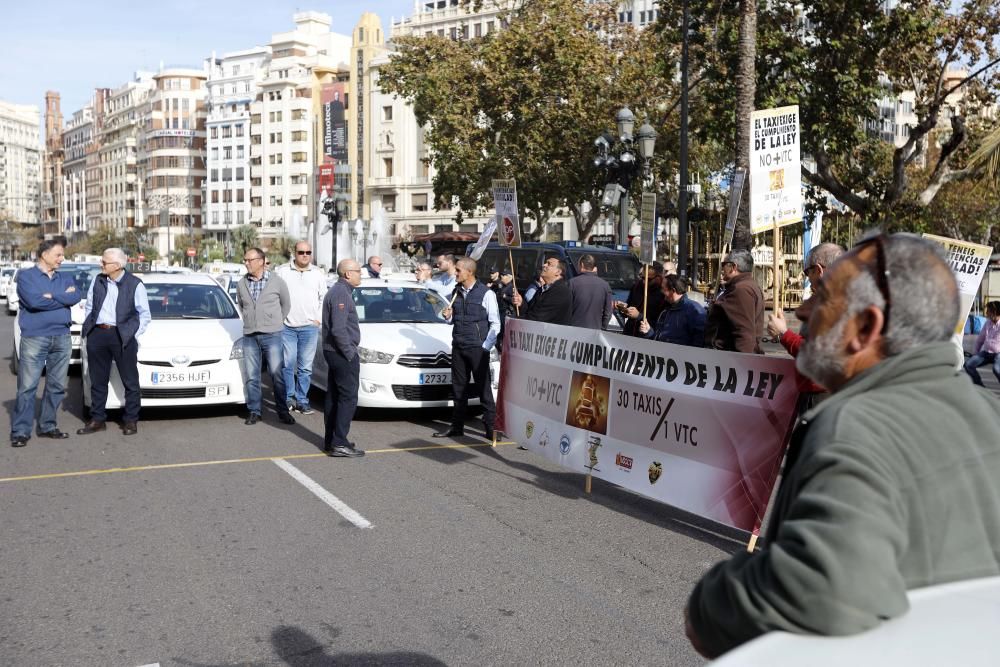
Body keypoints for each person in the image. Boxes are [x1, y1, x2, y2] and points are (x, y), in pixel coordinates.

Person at [685, 233, 1000, 659]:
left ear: (865, 328)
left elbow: (818, 595)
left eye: (823, 298)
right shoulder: (988, 413)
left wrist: (712, 602)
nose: (802, 311)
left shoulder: (854, 428)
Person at [10, 239, 81, 447]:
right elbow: (34, 301)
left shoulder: (65, 277)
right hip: (35, 337)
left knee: (57, 385)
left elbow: (76, 296)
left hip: (62, 336)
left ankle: (48, 425)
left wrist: (52, 296)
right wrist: (61, 298)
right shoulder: (26, 276)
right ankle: (21, 431)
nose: (62, 258)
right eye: (58, 254)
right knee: (27, 386)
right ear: (44, 255)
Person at [77, 247, 151, 436]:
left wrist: (131, 333)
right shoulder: (98, 280)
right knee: (97, 379)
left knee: (130, 380)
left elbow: (144, 315)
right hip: (98, 334)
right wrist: (91, 327)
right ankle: (98, 419)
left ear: (117, 265)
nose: (100, 265)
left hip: (122, 336)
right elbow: (90, 306)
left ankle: (131, 420)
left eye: (104, 262)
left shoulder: (135, 284)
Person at [433, 257, 500, 440]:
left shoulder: (486, 294)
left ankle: (491, 428)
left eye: (459, 270)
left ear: (469, 272)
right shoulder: (457, 291)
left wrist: (485, 346)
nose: (455, 273)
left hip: (477, 348)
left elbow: (495, 324)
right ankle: (457, 427)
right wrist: (447, 316)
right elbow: (454, 319)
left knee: (483, 388)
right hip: (459, 345)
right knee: (458, 388)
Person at [767, 242, 846, 398]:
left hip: (822, 393)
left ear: (818, 270)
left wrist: (783, 334)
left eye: (807, 272)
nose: (808, 278)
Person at [237, 247, 295, 426]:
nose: (247, 263)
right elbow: (242, 305)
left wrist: (273, 322)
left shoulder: (277, 282)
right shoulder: (241, 283)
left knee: (277, 373)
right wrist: (251, 320)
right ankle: (255, 411)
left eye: (250, 260)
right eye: (245, 260)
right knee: (252, 375)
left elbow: (286, 305)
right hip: (250, 335)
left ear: (261, 261)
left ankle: (282, 411)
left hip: (272, 334)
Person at [275, 241, 326, 415]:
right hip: (287, 327)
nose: (305, 255)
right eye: (301, 252)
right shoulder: (282, 272)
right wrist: (279, 320)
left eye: (308, 252)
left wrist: (317, 321)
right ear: (294, 253)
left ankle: (302, 400)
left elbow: (323, 299)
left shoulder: (318, 274)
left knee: (305, 367)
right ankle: (289, 398)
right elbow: (275, 297)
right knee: (288, 365)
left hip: (309, 327)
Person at [322, 258, 365, 457]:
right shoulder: (340, 293)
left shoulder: (341, 291)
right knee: (347, 398)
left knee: (335, 396)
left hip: (335, 352)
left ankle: (332, 440)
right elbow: (339, 330)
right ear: (348, 274)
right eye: (358, 271)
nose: (361, 274)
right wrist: (349, 353)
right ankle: (339, 442)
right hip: (340, 353)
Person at [704, 249, 764, 353]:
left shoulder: (741, 290)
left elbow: (744, 332)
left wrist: (743, 364)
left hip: (728, 359)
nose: (722, 269)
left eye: (724, 264)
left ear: (733, 267)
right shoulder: (747, 285)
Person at [638, 274, 705, 347]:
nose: (661, 291)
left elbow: (699, 343)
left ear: (672, 291)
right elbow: (658, 339)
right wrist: (648, 331)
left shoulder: (694, 311)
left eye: (663, 288)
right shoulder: (665, 311)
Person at [511, 257, 572, 325]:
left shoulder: (560, 291)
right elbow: (530, 309)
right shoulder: (543, 288)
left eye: (549, 264)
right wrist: (521, 303)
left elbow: (537, 318)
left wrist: (513, 320)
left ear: (558, 272)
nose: (544, 265)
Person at [619, 262, 665, 337]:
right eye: (642, 277)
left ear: (659, 277)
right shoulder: (637, 286)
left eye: (648, 279)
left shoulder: (663, 293)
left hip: (647, 336)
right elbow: (630, 305)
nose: (644, 281)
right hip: (630, 333)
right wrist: (624, 310)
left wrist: (639, 316)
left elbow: (661, 321)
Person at [569, 254, 613, 330]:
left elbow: (567, 308)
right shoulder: (605, 285)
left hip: (574, 330)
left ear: (582, 265)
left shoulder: (572, 283)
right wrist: (602, 328)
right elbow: (608, 312)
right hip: (595, 331)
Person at [963, 300, 1000, 386]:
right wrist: (975, 354)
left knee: (997, 369)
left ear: (996, 311)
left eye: (989, 311)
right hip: (986, 353)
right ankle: (981, 388)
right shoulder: (988, 323)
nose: (986, 313)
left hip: (998, 354)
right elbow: (980, 340)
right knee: (968, 365)